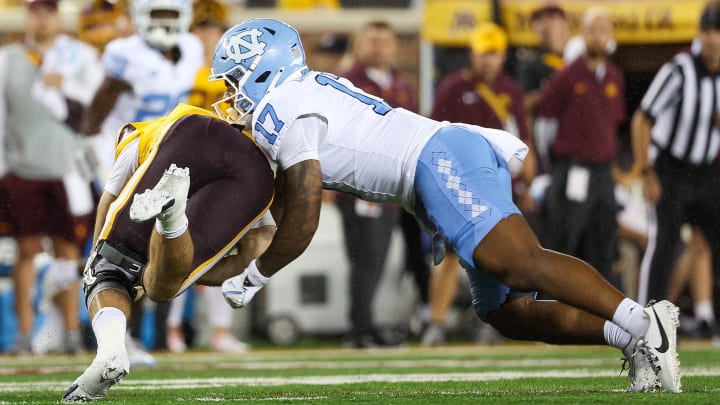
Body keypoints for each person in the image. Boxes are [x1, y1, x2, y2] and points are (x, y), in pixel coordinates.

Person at [215, 18, 681, 393]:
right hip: (438, 162)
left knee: (519, 264)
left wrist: (255, 275)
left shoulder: (284, 108)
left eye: (234, 79)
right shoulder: (300, 92)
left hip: (438, 160)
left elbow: (305, 213)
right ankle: (630, 339)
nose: (230, 95)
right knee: (507, 311)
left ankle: (645, 323)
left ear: (263, 69)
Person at [61, 103, 276, 402]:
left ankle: (111, 352)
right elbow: (262, 239)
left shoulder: (138, 135)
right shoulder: (256, 141)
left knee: (111, 269)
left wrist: (98, 261)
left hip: (191, 136)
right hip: (258, 172)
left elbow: (109, 199)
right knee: (165, 284)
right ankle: (173, 221)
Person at [81, 0, 204, 358]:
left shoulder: (192, 48)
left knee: (168, 242)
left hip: (168, 156)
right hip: (128, 153)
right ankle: (118, 336)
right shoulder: (124, 53)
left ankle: (160, 336)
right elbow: (99, 109)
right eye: (157, 15)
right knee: (124, 249)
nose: (164, 23)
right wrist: (91, 146)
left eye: (170, 14)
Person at [0, 0, 103, 355]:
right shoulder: (8, 58)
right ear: (27, 16)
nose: (41, 18)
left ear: (58, 16)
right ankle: (24, 335)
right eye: (35, 11)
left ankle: (71, 331)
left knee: (68, 251)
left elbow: (95, 111)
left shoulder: (81, 57)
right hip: (23, 168)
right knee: (25, 250)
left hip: (69, 169)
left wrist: (66, 88)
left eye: (47, 11)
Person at [423, 22, 531, 346]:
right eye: (484, 53)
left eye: (494, 53)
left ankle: (494, 322)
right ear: (473, 54)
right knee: (450, 254)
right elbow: (433, 133)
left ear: (502, 56)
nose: (488, 60)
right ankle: (436, 322)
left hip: (497, 182)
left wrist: (528, 174)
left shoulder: (511, 91)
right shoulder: (453, 87)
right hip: (458, 182)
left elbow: (524, 139)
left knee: (498, 254)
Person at [165, 0, 252, 354]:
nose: (207, 36)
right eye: (202, 29)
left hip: (224, 165)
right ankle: (172, 329)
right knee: (175, 249)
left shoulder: (234, 73)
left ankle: (219, 329)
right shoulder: (176, 71)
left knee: (223, 248)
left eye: (213, 30)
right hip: (185, 164)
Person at [631, 1, 720, 336]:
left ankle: (707, 316)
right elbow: (642, 119)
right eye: (708, 31)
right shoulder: (680, 69)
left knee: (710, 241)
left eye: (718, 32)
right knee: (664, 242)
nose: (712, 39)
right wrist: (646, 170)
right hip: (670, 168)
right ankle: (644, 321)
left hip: (707, 171)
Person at [333, 20, 415, 348]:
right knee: (364, 257)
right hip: (359, 183)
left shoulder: (401, 84)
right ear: (359, 45)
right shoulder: (347, 82)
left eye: (385, 41)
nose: (379, 47)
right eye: (373, 41)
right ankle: (359, 328)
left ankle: (365, 323)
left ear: (395, 47)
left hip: (392, 184)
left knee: (379, 256)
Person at [534, 7, 626, 289]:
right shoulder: (567, 76)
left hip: (603, 172)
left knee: (605, 237)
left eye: (604, 29)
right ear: (584, 34)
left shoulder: (614, 77)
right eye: (594, 29)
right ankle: (551, 306)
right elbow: (545, 122)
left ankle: (600, 317)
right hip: (572, 167)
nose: (600, 36)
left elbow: (614, 126)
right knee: (565, 236)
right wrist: (550, 165)